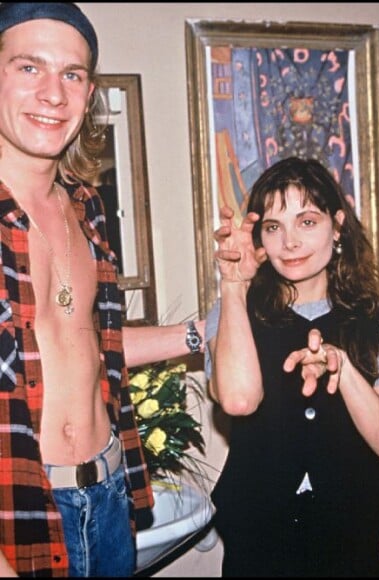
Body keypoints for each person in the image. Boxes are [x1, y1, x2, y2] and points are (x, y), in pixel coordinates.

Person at [0, 3, 204, 577]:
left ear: (89, 94)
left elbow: (91, 344)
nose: (53, 93)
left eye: (72, 74)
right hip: (21, 517)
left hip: (109, 496)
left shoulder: (87, 208)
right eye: (28, 67)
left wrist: (201, 332)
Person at [205, 156, 379, 577]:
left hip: (359, 541)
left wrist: (346, 371)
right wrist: (233, 285)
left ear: (337, 226)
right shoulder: (232, 311)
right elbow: (239, 399)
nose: (289, 242)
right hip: (261, 544)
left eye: (306, 222)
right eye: (273, 227)